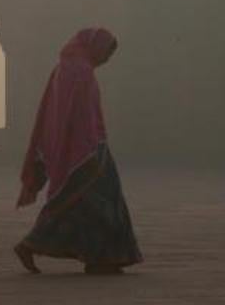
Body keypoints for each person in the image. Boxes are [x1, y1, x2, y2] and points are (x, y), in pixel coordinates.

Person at [14, 27, 143, 275]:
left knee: (80, 204)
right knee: (98, 202)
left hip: (85, 148)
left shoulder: (68, 67)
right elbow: (79, 115)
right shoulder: (80, 71)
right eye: (106, 53)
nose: (106, 59)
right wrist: (89, 146)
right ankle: (96, 256)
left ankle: (97, 257)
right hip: (86, 151)